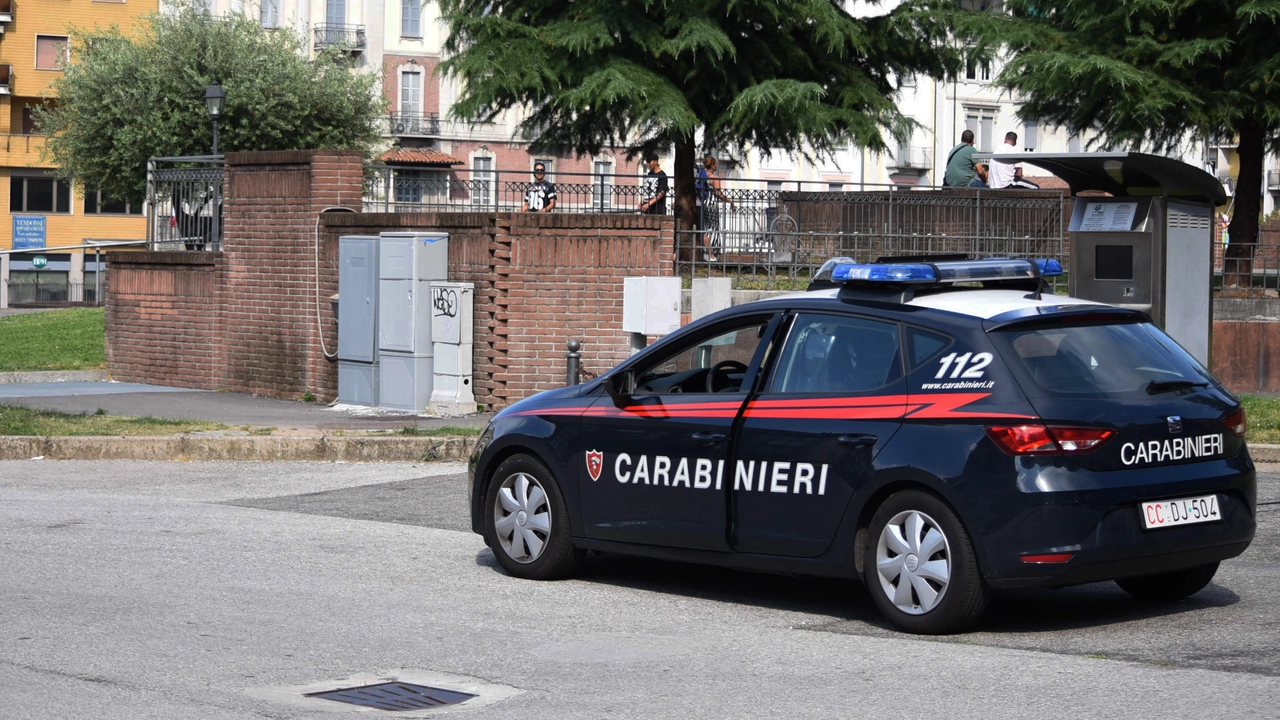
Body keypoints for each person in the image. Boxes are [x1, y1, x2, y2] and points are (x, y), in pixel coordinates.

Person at [696, 155, 736, 261]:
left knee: (705, 229)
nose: (717, 166)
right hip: (712, 204)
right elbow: (719, 194)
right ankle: (712, 254)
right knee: (713, 229)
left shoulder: (702, 177)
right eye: (715, 164)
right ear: (712, 166)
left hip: (703, 204)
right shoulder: (715, 178)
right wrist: (730, 201)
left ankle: (705, 252)